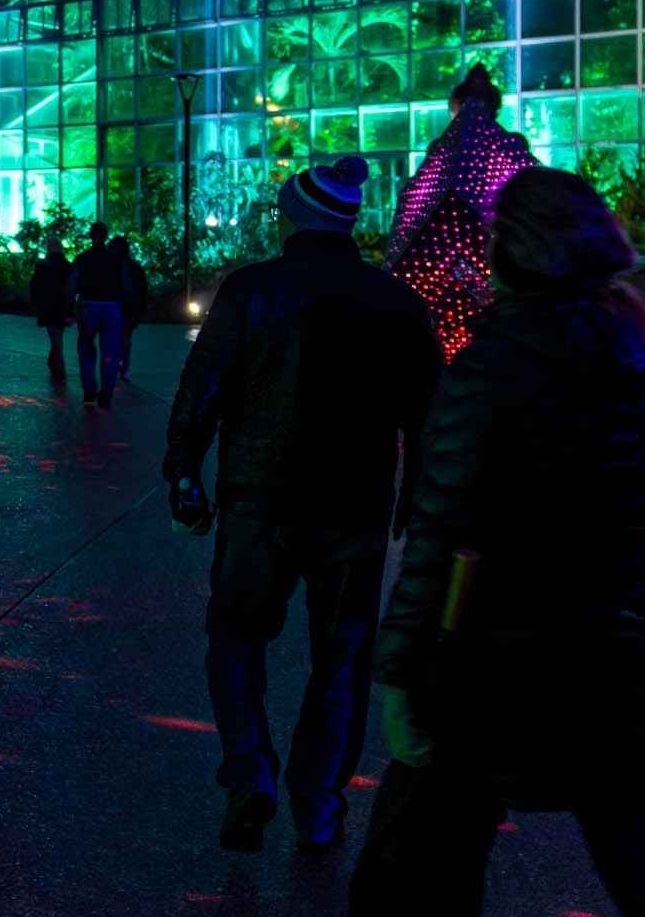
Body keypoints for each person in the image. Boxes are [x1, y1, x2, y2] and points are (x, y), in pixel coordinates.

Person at [347, 168, 645, 917]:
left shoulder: (492, 361)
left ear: (516, 251)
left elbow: (439, 529)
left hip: (508, 648)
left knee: (440, 860)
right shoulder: (639, 351)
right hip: (641, 652)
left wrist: (399, 670)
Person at [164, 154, 442, 853]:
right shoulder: (396, 301)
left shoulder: (251, 289)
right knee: (341, 657)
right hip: (355, 505)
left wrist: (185, 473)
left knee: (235, 636)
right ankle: (318, 802)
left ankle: (250, 771)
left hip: (259, 496)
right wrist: (416, 495)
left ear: (293, 218)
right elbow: (427, 414)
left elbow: (203, 386)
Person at [385, 64, 538, 362]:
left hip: (456, 268)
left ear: (456, 106)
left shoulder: (445, 151)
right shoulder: (510, 146)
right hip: (492, 271)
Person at [67, 220, 125, 408]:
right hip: (112, 306)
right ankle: (106, 392)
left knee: (86, 348)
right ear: (106, 236)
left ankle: (89, 390)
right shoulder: (116, 260)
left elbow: (71, 285)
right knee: (110, 351)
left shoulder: (82, 259)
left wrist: (69, 308)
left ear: (90, 236)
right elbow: (125, 285)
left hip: (88, 305)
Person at [29, 236, 72, 384]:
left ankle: (59, 368)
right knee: (58, 337)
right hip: (63, 307)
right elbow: (71, 289)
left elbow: (34, 286)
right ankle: (56, 367)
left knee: (55, 338)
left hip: (47, 307)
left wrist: (36, 305)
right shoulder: (67, 265)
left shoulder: (42, 265)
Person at [108, 235, 148, 383]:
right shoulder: (134, 267)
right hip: (130, 309)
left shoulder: (111, 267)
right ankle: (124, 368)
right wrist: (140, 310)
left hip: (116, 307)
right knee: (125, 339)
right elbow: (142, 290)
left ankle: (115, 367)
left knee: (113, 339)